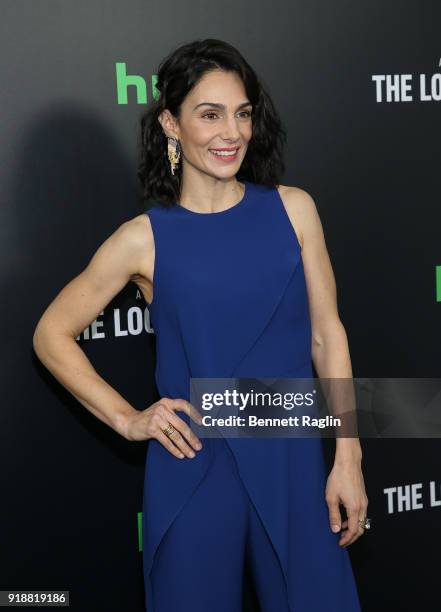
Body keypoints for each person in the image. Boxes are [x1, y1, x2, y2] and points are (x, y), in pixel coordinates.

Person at [33, 38, 368, 611]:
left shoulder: (294, 209)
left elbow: (325, 334)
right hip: (193, 463)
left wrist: (348, 455)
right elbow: (50, 333)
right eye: (209, 115)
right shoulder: (143, 237)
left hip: (291, 454)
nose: (231, 133)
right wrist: (128, 418)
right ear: (170, 122)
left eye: (242, 114)